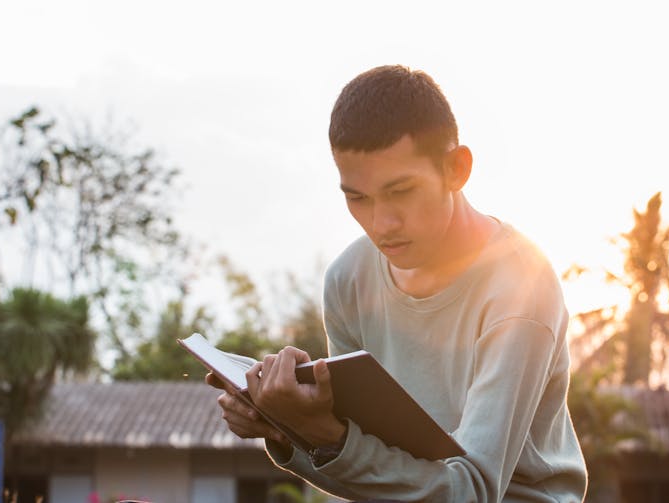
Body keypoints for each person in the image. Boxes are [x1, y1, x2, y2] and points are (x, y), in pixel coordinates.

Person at [208, 65, 588, 502]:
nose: (381, 224)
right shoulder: (350, 280)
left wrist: (325, 435)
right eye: (358, 198)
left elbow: (474, 491)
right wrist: (288, 427)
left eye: (401, 191)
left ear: (456, 169)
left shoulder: (520, 285)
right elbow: (375, 472)